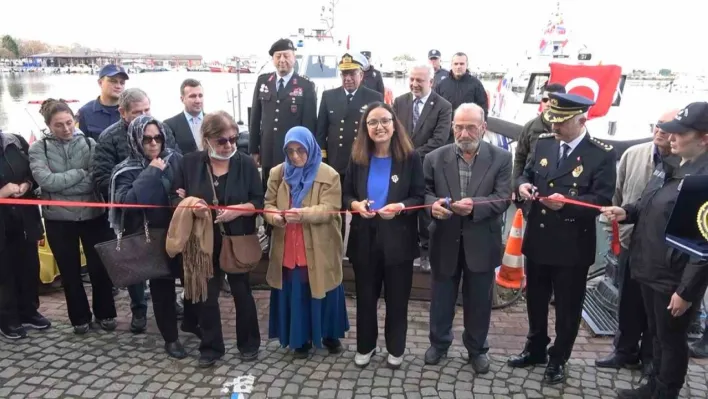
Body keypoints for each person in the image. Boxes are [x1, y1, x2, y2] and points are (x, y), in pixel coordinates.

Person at [603, 102, 708, 399]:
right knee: (657, 336)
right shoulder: (672, 166)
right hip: (648, 267)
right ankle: (653, 386)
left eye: (680, 133)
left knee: (671, 341)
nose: (671, 138)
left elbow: (703, 247)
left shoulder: (702, 181)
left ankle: (665, 392)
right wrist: (626, 212)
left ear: (704, 138)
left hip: (672, 278)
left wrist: (686, 292)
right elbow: (649, 205)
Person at [510, 93, 616, 385]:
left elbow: (601, 199)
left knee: (568, 307)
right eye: (552, 120)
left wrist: (567, 204)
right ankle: (535, 348)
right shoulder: (544, 142)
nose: (554, 127)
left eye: (561, 122)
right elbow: (525, 173)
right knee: (535, 299)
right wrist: (523, 186)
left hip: (572, 244)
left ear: (582, 119)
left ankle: (558, 358)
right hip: (539, 238)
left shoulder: (601, 154)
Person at [422, 103, 512, 374]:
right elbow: (424, 192)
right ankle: (439, 343)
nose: (463, 133)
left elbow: (504, 196)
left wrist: (476, 206)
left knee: (479, 301)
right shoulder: (434, 158)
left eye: (470, 127)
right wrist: (431, 206)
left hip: (482, 241)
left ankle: (476, 348)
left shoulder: (501, 158)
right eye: (458, 127)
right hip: (445, 238)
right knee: (441, 297)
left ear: (483, 128)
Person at [171, 111, 263, 368]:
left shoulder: (245, 163)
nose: (229, 145)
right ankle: (211, 347)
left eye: (233, 139)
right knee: (206, 296)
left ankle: (249, 344)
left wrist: (238, 209)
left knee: (242, 293)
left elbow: (259, 201)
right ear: (207, 139)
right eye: (222, 141)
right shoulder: (189, 163)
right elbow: (175, 198)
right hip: (201, 240)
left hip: (237, 238)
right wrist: (190, 204)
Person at [595, 108, 679, 375]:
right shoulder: (634, 155)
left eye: (668, 128)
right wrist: (613, 230)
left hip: (666, 253)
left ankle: (651, 358)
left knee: (656, 309)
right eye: (657, 125)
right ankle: (625, 351)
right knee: (628, 301)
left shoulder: (686, 165)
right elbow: (618, 196)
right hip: (631, 243)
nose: (660, 131)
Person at [92, 88, 181, 334]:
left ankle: (170, 307)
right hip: (133, 217)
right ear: (122, 113)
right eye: (137, 112)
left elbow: (174, 165)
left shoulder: (160, 131)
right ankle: (139, 308)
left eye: (146, 110)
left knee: (164, 272)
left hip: (164, 220)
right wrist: (139, 179)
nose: (153, 142)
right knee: (137, 266)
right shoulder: (110, 138)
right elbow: (104, 177)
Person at [342, 102, 424, 368]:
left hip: (398, 239)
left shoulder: (410, 158)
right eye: (373, 122)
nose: (380, 127)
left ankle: (396, 348)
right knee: (366, 297)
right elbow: (346, 195)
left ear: (394, 124)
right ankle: (365, 346)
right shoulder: (357, 157)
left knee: (397, 299)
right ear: (365, 128)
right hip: (364, 238)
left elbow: (419, 196)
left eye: (385, 121)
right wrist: (354, 205)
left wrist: (400, 207)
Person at [29, 99, 117, 335]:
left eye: (69, 122)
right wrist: (79, 174)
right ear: (48, 125)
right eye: (59, 125)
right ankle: (79, 317)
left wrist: (63, 185)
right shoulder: (39, 149)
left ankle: (105, 312)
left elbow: (94, 177)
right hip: (59, 220)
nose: (66, 129)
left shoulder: (90, 144)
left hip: (92, 215)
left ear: (75, 120)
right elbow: (45, 181)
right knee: (70, 272)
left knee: (99, 268)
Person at [263, 126, 349, 358]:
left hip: (319, 245)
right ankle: (299, 339)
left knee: (323, 286)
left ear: (310, 148)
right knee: (296, 289)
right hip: (289, 243)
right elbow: (268, 205)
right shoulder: (277, 173)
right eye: (290, 151)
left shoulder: (329, 174)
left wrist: (302, 214)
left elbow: (330, 209)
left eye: (300, 150)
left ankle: (329, 334)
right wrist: (276, 217)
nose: (295, 156)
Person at [111, 115, 186, 359]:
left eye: (158, 138)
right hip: (150, 237)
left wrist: (184, 194)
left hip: (180, 232)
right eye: (147, 139)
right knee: (162, 289)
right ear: (135, 140)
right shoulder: (125, 170)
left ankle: (192, 322)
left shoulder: (176, 159)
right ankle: (171, 338)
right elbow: (128, 204)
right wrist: (151, 173)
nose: (154, 144)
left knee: (193, 280)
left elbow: (190, 186)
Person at [316, 52, 384, 241]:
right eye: (344, 74)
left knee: (359, 209)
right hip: (335, 164)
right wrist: (323, 160)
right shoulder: (329, 96)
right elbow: (321, 132)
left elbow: (380, 132)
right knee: (335, 210)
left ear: (361, 75)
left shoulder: (374, 97)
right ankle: (335, 246)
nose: (347, 79)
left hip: (362, 163)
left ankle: (357, 248)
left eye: (352, 74)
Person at [392, 64, 453, 270]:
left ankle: (426, 252)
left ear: (431, 82)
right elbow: (393, 132)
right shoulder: (400, 102)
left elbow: (440, 139)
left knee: (426, 209)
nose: (414, 84)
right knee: (403, 205)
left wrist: (411, 155)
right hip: (401, 165)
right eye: (412, 79)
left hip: (429, 165)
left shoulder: (443, 106)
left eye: (419, 80)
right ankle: (405, 247)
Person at [249, 38, 318, 193]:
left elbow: (309, 124)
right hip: (268, 150)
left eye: (286, 56)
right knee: (268, 192)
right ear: (273, 59)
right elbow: (255, 118)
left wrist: (306, 152)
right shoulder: (263, 81)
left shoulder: (305, 86)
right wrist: (254, 149)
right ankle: (269, 218)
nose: (282, 60)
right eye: (278, 56)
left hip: (293, 152)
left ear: (294, 58)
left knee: (291, 192)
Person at [0, 132, 48, 339]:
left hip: (24, 217)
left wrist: (27, 185)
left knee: (28, 265)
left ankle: (28, 310)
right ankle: (7, 319)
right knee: (4, 271)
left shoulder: (15, 142)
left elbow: (34, 173)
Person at [513, 83, 567, 186]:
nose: (547, 104)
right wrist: (516, 185)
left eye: (552, 100)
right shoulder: (530, 127)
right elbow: (520, 158)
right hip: (532, 183)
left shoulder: (569, 129)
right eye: (545, 100)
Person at [165, 78, 205, 154]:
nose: (198, 100)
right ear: (182, 99)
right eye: (192, 96)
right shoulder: (170, 125)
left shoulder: (214, 121)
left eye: (200, 96)